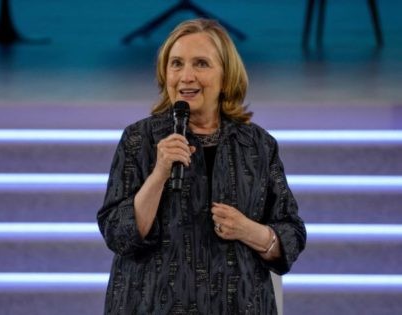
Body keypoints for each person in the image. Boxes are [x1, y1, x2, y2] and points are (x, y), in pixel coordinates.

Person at [97, 18, 306, 315]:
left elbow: (292, 234)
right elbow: (118, 233)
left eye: (201, 64)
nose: (186, 76)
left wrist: (249, 231)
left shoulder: (258, 145)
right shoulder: (139, 139)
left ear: (226, 76)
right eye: (176, 64)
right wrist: (159, 174)